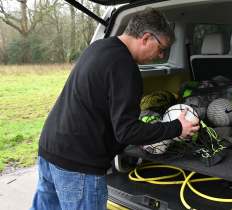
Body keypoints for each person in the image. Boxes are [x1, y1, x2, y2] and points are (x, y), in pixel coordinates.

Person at [30, 8, 199, 210]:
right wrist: (177, 128)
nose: (160, 55)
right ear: (146, 38)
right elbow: (127, 132)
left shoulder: (99, 47)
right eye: (162, 48)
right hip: (79, 166)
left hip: (49, 150)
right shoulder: (125, 68)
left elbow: (100, 110)